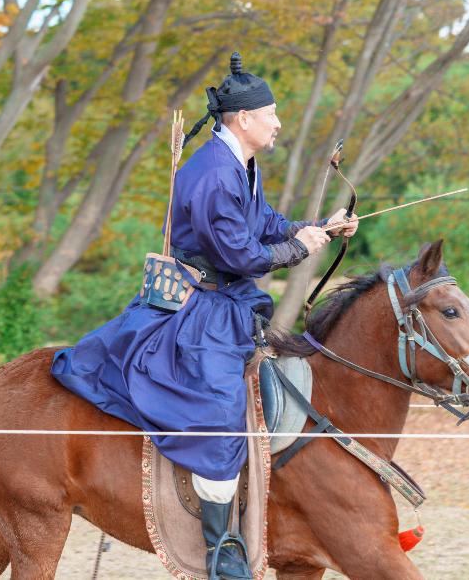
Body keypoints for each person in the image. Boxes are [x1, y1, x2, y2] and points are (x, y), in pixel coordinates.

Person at [51, 52, 358, 579]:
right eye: (272, 113)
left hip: (230, 302)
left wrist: (318, 228)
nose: (278, 122)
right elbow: (239, 255)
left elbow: (264, 223)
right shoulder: (214, 172)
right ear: (243, 119)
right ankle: (221, 552)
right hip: (202, 310)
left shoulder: (239, 164)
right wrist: (302, 249)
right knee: (219, 412)